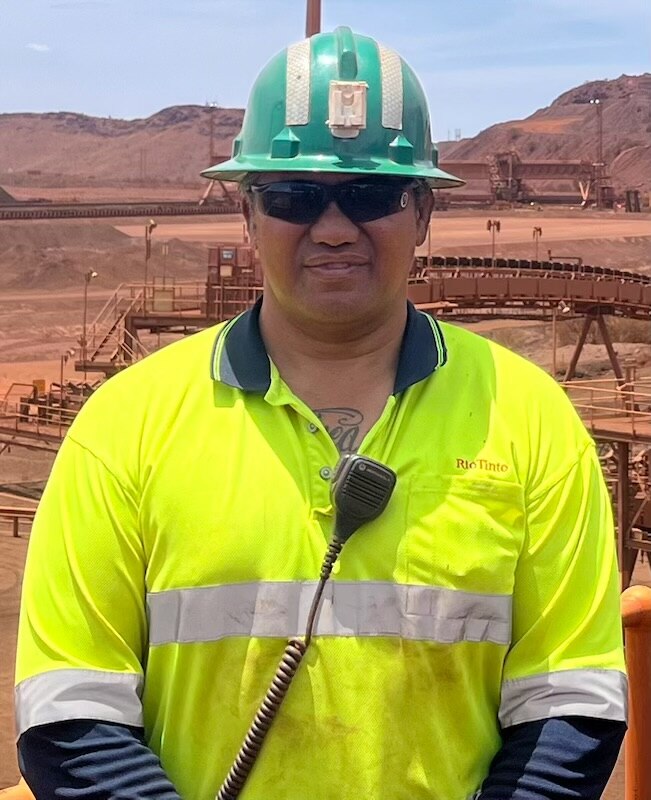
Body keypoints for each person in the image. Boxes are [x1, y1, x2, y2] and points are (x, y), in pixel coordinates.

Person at [15, 26, 626, 800]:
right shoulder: (126, 424)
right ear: (248, 214)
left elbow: (570, 700)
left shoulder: (530, 418)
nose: (333, 228)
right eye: (294, 197)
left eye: (370, 196)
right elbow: (70, 710)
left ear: (424, 214)